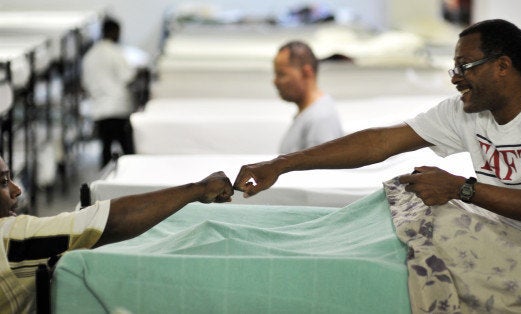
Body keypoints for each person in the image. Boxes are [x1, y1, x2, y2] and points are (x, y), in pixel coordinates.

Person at [235, 19, 521, 258]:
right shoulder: (466, 110)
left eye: (464, 66)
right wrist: (280, 164)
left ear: (503, 67)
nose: (455, 77)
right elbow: (380, 142)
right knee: (400, 200)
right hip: (518, 238)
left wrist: (461, 189)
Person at [0, 155, 234, 313]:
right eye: (3, 181)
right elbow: (110, 222)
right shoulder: (8, 240)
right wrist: (198, 189)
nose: (17, 190)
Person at [82, 17, 137, 167]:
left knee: (105, 150)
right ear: (114, 31)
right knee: (128, 152)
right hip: (118, 108)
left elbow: (86, 83)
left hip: (100, 110)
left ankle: (104, 185)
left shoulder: (89, 56)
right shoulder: (116, 53)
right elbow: (128, 76)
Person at [273, 40, 344, 154]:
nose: (275, 82)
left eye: (281, 74)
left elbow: (321, 170)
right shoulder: (310, 115)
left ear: (307, 72)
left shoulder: (320, 119)